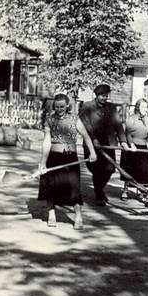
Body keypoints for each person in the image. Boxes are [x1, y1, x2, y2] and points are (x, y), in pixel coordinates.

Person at [38, 94, 97, 229]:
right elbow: (46, 141)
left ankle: (78, 218)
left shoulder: (74, 118)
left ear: (67, 106)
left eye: (62, 106)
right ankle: (51, 215)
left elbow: (86, 136)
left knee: (74, 187)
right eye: (57, 107)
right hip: (54, 156)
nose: (59, 109)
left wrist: (93, 152)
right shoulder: (49, 119)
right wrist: (43, 163)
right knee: (51, 186)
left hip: (70, 157)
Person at [78, 83, 127, 206]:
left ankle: (98, 191)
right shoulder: (87, 106)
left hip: (109, 144)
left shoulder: (111, 107)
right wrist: (93, 139)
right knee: (95, 169)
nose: (105, 98)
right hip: (92, 144)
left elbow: (118, 124)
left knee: (110, 169)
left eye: (106, 96)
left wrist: (123, 141)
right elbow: (87, 125)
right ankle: (99, 194)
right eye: (102, 96)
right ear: (96, 95)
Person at [119, 98, 148, 201]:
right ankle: (125, 190)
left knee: (142, 171)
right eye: (143, 107)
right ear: (137, 107)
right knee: (129, 171)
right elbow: (127, 133)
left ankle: (142, 192)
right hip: (130, 147)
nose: (145, 109)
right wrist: (131, 144)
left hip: (142, 148)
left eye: (146, 107)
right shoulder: (131, 119)